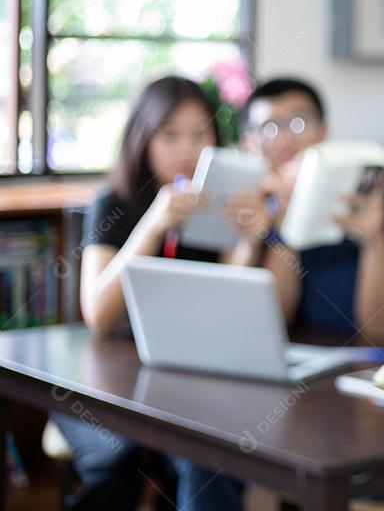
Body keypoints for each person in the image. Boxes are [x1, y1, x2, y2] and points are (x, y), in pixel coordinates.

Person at [61, 76, 248, 511]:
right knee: (116, 460)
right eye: (170, 135)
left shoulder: (214, 210)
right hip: (105, 380)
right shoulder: (116, 203)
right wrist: (152, 225)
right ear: (142, 139)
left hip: (182, 381)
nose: (187, 149)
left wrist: (247, 239)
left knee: (208, 456)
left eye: (200, 134)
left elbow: (228, 310)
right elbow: (99, 315)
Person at [240, 78, 384, 346]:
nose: (286, 138)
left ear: (323, 131)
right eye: (269, 128)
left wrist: (375, 239)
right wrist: (288, 221)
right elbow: (273, 324)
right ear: (251, 144)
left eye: (299, 122)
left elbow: (380, 332)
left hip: (365, 362)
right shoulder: (253, 209)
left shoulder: (381, 199)